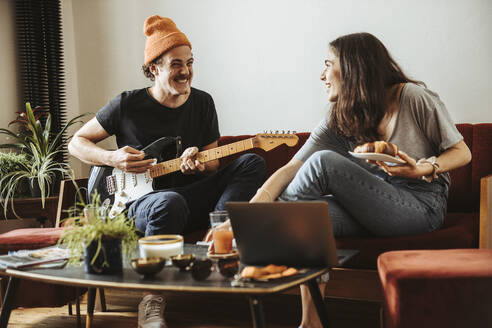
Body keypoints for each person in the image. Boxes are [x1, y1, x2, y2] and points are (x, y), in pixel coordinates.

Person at [208, 32, 471, 328]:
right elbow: (291, 168)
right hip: (373, 207)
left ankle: (259, 239)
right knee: (307, 218)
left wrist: (421, 169)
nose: (321, 75)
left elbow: (462, 153)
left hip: (422, 206)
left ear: (353, 68)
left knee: (322, 164)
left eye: (327, 64)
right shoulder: (341, 115)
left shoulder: (411, 97)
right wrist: (247, 215)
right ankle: (311, 322)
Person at [68, 15, 266, 328]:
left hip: (185, 198)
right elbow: (76, 143)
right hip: (134, 206)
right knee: (168, 201)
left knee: (252, 162)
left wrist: (198, 163)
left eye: (190, 62)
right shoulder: (126, 104)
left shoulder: (203, 103)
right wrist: (112, 158)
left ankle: (212, 244)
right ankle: (151, 302)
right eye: (176, 64)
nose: (185, 71)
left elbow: (213, 166)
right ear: (154, 68)